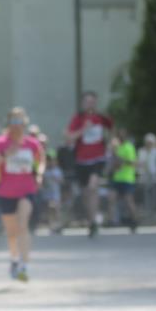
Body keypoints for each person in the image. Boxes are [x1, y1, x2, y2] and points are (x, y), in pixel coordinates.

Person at [0, 107, 45, 281]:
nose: (16, 125)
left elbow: (41, 161)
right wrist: (6, 154)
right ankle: (14, 259)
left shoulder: (32, 143)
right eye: (13, 121)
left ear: (25, 123)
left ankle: (24, 265)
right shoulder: (1, 143)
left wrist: (40, 174)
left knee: (23, 223)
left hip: (27, 189)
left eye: (19, 121)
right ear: (9, 123)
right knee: (12, 232)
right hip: (6, 191)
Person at [64, 90, 112, 237]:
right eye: (87, 101)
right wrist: (83, 129)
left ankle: (95, 220)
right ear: (83, 103)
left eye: (92, 101)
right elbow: (69, 138)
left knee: (93, 187)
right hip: (81, 161)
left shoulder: (101, 118)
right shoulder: (78, 119)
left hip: (98, 159)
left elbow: (113, 130)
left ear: (95, 103)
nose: (90, 104)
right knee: (85, 193)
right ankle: (91, 221)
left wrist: (110, 146)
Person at [109, 128, 138, 232]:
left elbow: (132, 162)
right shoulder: (117, 148)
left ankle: (134, 220)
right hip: (117, 178)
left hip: (127, 178)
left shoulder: (129, 147)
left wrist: (121, 160)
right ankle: (112, 221)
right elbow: (114, 164)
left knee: (128, 200)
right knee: (111, 198)